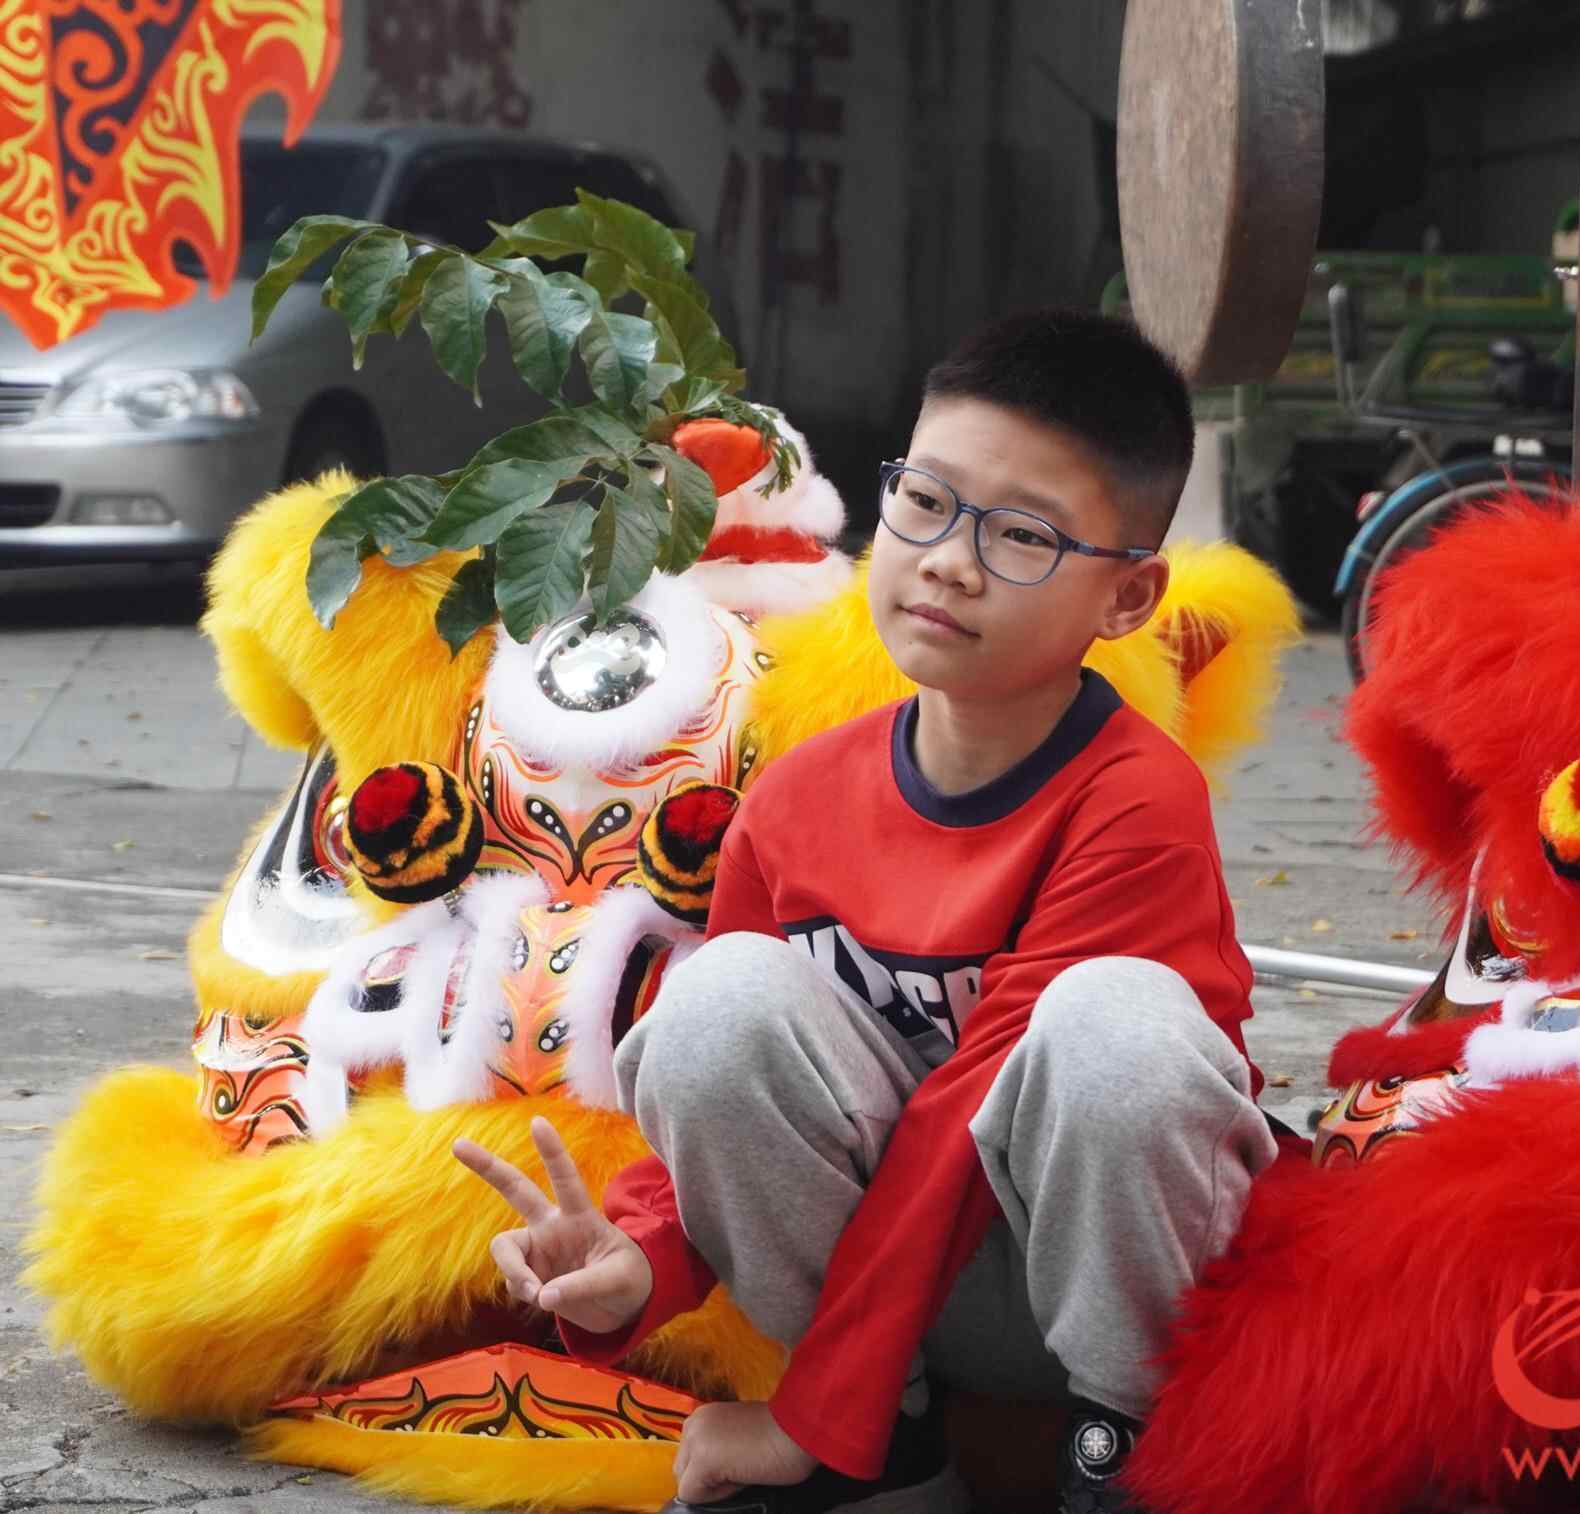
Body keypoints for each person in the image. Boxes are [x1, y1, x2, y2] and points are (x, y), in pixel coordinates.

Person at [455, 309, 1281, 1514]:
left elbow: (963, 1114)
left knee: (1115, 1023)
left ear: (1128, 596)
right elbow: (727, 1094)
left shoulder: (1133, 798)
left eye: (1022, 535)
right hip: (895, 1314)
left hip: (1098, 1292)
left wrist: (806, 1415)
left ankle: (1126, 1457)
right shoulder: (797, 797)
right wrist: (639, 1255)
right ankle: (888, 1453)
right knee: (717, 999)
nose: (949, 559)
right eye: (927, 501)